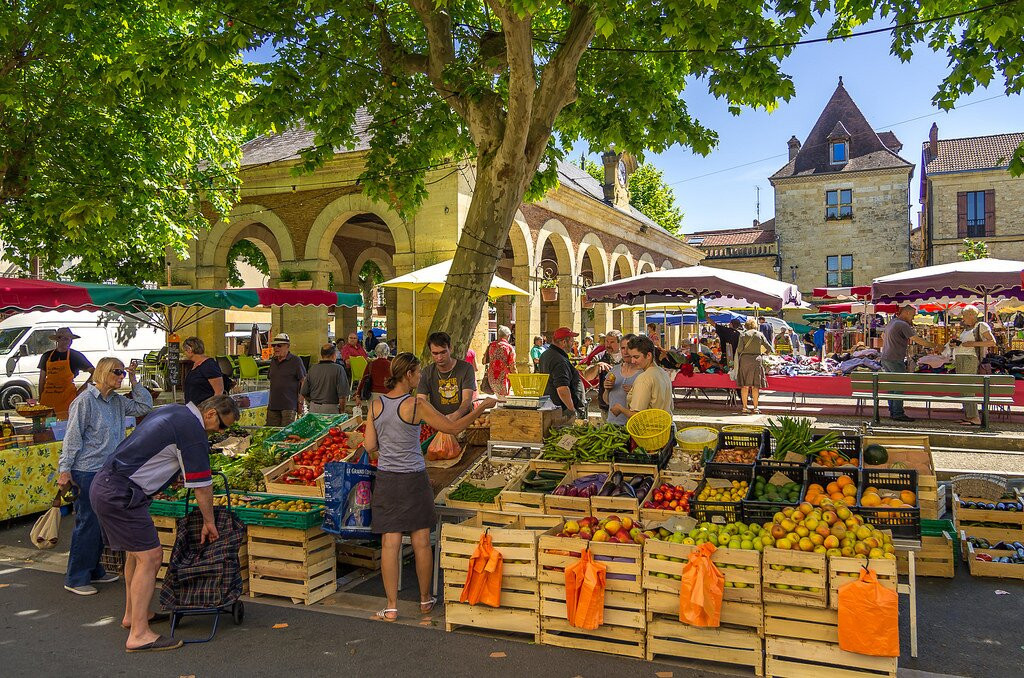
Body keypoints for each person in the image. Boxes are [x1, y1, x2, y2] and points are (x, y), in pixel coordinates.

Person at [90, 394, 240, 653]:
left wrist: (168, 476)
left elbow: (155, 453)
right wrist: (209, 521)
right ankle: (139, 634)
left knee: (135, 556)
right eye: (222, 426)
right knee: (151, 557)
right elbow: (203, 486)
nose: (220, 432)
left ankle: (133, 615)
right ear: (211, 413)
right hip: (121, 493)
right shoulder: (192, 429)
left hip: (109, 485)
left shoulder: (174, 411)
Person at [362, 353, 496, 622]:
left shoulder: (376, 406)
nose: (421, 376)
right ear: (409, 375)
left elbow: (369, 446)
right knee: (422, 541)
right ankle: (425, 600)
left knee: (390, 542)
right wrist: (481, 408)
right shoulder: (415, 405)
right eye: (418, 372)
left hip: (387, 479)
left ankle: (390, 607)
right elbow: (453, 426)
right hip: (413, 478)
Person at [58, 358, 154, 596]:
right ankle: (76, 576)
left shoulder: (117, 402)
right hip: (87, 470)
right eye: (117, 372)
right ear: (102, 372)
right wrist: (65, 470)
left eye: (123, 372)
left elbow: (144, 407)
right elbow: (72, 438)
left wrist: (134, 381)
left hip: (109, 470)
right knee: (88, 521)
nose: (121, 376)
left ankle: (94, 570)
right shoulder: (84, 402)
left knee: (101, 522)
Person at [539, 327, 609, 421]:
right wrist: (571, 410)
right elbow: (562, 388)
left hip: (553, 405)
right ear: (564, 342)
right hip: (562, 409)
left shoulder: (546, 354)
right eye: (571, 341)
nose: (573, 344)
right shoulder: (559, 360)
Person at [880, 306, 933, 422]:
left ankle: (893, 411)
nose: (913, 317)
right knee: (899, 386)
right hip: (895, 358)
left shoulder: (892, 322)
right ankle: (898, 413)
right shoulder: (903, 325)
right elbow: (916, 339)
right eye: (913, 315)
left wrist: (892, 343)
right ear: (907, 312)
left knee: (892, 386)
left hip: (885, 357)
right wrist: (935, 346)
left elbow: (882, 336)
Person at [952, 305, 997, 426]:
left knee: (968, 387)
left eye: (964, 315)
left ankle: (974, 417)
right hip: (960, 358)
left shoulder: (981, 325)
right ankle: (969, 415)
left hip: (969, 359)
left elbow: (992, 342)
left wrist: (973, 343)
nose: (963, 318)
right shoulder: (966, 328)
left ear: (972, 315)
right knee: (963, 388)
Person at [610, 335, 674, 419]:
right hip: (666, 427)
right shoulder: (663, 373)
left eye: (636, 357)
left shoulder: (644, 378)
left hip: (649, 429)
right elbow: (671, 406)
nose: (633, 361)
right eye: (631, 357)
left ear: (648, 355)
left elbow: (637, 415)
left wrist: (620, 408)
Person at [417, 332, 476, 420]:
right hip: (437, 422)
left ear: (450, 349)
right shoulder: (426, 372)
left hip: (463, 420)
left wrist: (456, 415)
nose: (439, 357)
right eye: (435, 353)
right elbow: (421, 401)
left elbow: (467, 400)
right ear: (430, 352)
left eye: (443, 352)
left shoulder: (466, 368)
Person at [38, 327, 94, 419]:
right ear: (57, 340)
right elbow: (42, 379)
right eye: (62, 338)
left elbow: (95, 373)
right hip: (48, 401)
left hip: (68, 401)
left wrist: (80, 391)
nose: (66, 341)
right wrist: (41, 399)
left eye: (68, 339)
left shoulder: (75, 356)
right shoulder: (46, 356)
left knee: (66, 428)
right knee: (48, 428)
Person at [735, 318, 773, 414]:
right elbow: (769, 347)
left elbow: (739, 349)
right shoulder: (759, 335)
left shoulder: (743, 335)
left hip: (744, 361)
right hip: (757, 360)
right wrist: (764, 353)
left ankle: (744, 407)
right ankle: (756, 408)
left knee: (745, 386)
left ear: (746, 326)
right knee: (756, 386)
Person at [267, 333, 306, 426]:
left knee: (286, 434)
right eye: (274, 345)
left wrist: (301, 402)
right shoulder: (273, 361)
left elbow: (304, 381)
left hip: (289, 406)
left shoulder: (296, 361)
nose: (276, 348)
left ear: (287, 346)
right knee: (271, 432)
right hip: (273, 405)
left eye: (279, 345)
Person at [300, 343, 350, 414]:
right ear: (334, 355)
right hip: (331, 408)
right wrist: (342, 411)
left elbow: (304, 391)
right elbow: (342, 396)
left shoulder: (312, 369)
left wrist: (313, 401)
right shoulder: (339, 369)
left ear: (321, 355)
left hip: (313, 408)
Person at [584, 330, 624, 417]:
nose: (608, 345)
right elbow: (587, 376)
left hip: (626, 404)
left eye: (612, 342)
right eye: (607, 341)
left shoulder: (628, 356)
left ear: (620, 343)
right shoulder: (600, 356)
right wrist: (597, 366)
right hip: (606, 405)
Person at [602, 339, 642, 425]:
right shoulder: (614, 370)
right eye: (623, 348)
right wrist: (606, 390)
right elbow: (606, 400)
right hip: (612, 424)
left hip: (633, 427)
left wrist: (635, 392)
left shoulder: (643, 373)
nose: (626, 351)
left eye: (629, 348)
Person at [181, 336, 224, 406]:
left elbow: (219, 391)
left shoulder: (209, 365)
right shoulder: (195, 364)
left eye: (185, 351)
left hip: (205, 408)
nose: (184, 353)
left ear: (189, 350)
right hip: (194, 407)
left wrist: (211, 408)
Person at [483, 325, 516, 396]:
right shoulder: (509, 348)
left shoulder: (491, 345)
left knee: (498, 397)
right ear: (508, 336)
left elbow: (484, 361)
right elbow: (512, 365)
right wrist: (516, 377)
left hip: (492, 376)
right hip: (503, 376)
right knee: (504, 399)